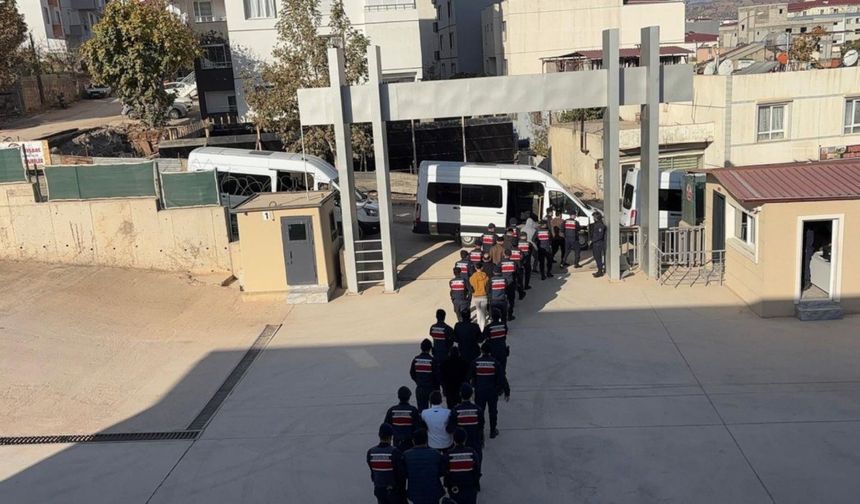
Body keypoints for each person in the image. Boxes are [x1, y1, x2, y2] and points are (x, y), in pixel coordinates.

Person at [471, 342, 508, 440]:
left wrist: (473, 386)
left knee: (479, 411)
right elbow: (501, 378)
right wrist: (504, 390)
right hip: (492, 391)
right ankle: (492, 431)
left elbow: (470, 376)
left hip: (480, 391)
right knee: (493, 412)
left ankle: (480, 432)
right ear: (490, 351)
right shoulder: (495, 362)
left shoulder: (476, 362)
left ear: (481, 351)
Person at [367, 423, 407, 504]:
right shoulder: (395, 452)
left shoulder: (371, 452)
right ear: (391, 436)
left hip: (379, 490)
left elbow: (373, 472)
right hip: (393, 491)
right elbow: (401, 476)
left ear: (379, 435)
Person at [404, 429, 446, 504]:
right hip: (433, 492)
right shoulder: (436, 454)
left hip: (415, 493)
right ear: (427, 440)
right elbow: (442, 471)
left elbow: (404, 473)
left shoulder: (406, 455)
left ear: (413, 441)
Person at [445, 428, 482, 504]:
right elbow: (477, 469)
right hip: (470, 486)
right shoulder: (472, 452)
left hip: (454, 486)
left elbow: (444, 470)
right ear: (465, 439)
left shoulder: (448, 454)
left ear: (454, 440)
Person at [385, 386, 421, 452]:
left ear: (398, 397)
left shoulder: (392, 410)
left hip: (397, 442)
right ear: (409, 397)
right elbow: (418, 428)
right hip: (410, 443)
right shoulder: (413, 410)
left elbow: (386, 427)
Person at [451, 384, 483, 456]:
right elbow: (481, 426)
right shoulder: (477, 409)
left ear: (460, 394)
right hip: (475, 444)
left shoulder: (456, 410)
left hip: (460, 446)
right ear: (472, 394)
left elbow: (451, 428)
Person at [410, 339, 439, 412]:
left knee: (421, 412)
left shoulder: (416, 360)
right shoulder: (432, 360)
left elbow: (412, 373)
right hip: (430, 389)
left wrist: (418, 381)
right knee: (433, 411)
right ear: (430, 349)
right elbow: (436, 376)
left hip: (420, 388)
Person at [468, 262, 490, 331]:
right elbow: (487, 286)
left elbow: (471, 286)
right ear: (482, 268)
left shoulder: (472, 278)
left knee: (478, 310)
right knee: (483, 312)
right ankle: (482, 327)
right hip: (484, 296)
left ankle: (478, 324)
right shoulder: (486, 277)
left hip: (476, 296)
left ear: (475, 268)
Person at [499, 249, 517, 321]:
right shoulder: (513, 263)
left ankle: (503, 315)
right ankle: (510, 315)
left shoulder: (500, 263)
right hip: (511, 283)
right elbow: (515, 273)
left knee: (503, 300)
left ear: (504, 254)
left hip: (502, 283)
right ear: (511, 255)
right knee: (511, 300)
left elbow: (498, 272)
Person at [591, 212, 607, 278]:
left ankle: (600, 271)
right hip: (595, 243)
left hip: (598, 244)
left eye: (594, 217)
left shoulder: (600, 225)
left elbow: (600, 236)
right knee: (596, 257)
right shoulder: (596, 224)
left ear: (596, 217)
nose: (593, 218)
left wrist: (592, 240)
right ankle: (599, 270)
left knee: (598, 258)